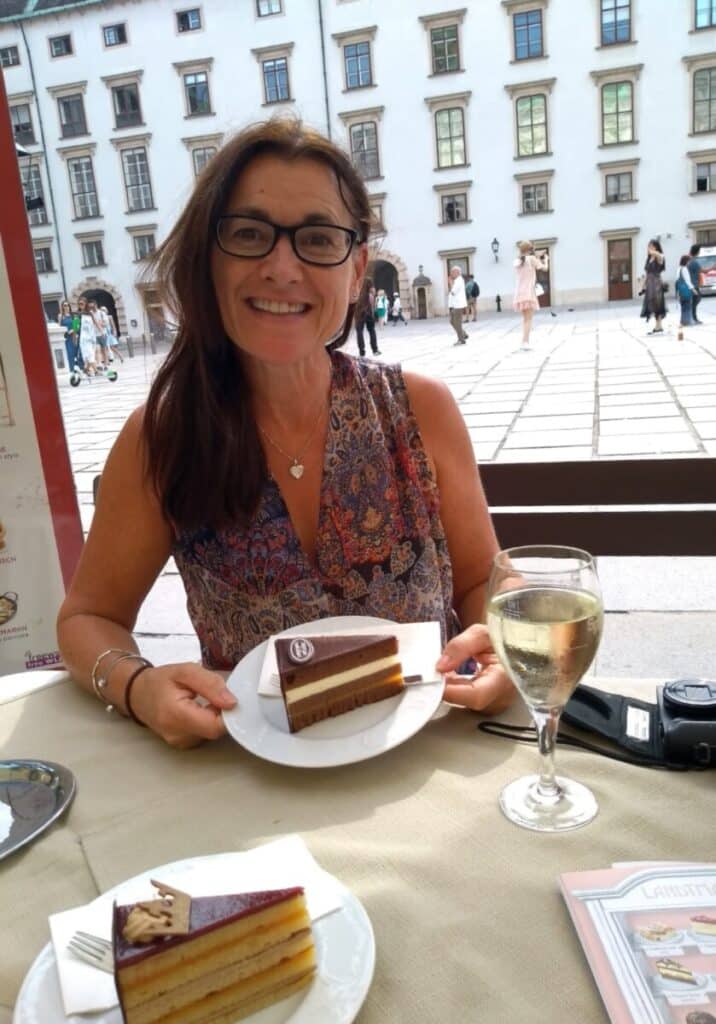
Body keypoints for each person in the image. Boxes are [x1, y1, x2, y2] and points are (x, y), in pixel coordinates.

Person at [57, 117, 515, 748]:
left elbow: (481, 582)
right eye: (248, 234)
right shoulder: (164, 437)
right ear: (209, 262)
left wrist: (504, 643)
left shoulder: (421, 411)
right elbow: (88, 617)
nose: (281, 266)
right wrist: (136, 687)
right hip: (252, 789)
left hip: (422, 766)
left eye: (318, 239)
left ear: (356, 273)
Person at [512, 242, 547, 350]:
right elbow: (544, 268)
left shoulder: (517, 261)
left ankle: (524, 341)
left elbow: (526, 261)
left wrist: (536, 256)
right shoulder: (531, 259)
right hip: (529, 292)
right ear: (530, 249)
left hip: (519, 293)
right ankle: (525, 342)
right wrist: (545, 260)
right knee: (528, 319)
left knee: (525, 319)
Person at [640, 239, 666, 335]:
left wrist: (654, 252)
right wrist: (643, 286)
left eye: (651, 246)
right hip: (650, 283)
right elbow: (646, 274)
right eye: (648, 246)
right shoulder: (649, 258)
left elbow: (660, 256)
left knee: (658, 303)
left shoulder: (659, 256)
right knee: (652, 304)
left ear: (656, 247)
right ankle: (658, 325)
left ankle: (659, 326)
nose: (649, 248)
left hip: (656, 283)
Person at [354, 277, 380, 356]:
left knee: (359, 332)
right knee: (371, 330)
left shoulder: (355, 288)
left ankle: (362, 352)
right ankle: (375, 350)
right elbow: (373, 293)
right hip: (368, 312)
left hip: (358, 312)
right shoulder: (368, 282)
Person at [76, 296, 99, 377]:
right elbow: (75, 327)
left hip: (91, 337)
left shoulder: (90, 313)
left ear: (85, 304)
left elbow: (95, 322)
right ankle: (96, 371)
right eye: (79, 304)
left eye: (82, 303)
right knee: (89, 354)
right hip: (83, 338)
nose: (80, 305)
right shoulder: (77, 314)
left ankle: (85, 369)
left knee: (90, 354)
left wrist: (101, 330)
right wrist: (75, 330)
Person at [447, 266, 468, 345]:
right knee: (452, 321)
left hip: (458, 305)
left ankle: (461, 339)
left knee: (457, 323)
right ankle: (463, 334)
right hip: (454, 305)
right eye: (451, 272)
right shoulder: (456, 280)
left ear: (458, 273)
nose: (451, 274)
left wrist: (450, 283)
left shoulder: (459, 280)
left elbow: (453, 291)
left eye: (452, 272)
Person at [676, 255, 697, 331]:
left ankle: (683, 321)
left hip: (681, 290)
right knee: (687, 305)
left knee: (683, 306)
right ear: (686, 261)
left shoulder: (679, 268)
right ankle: (687, 321)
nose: (689, 263)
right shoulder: (684, 269)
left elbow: (677, 280)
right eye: (689, 261)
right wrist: (693, 289)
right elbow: (687, 281)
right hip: (686, 290)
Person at [58, 300, 78, 376]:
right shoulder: (60, 316)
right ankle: (71, 369)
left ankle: (78, 368)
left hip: (74, 335)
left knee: (76, 352)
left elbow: (77, 326)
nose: (66, 307)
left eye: (67, 305)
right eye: (64, 305)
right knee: (69, 353)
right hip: (66, 337)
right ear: (62, 307)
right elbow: (59, 326)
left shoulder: (74, 315)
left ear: (69, 306)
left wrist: (73, 330)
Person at [687, 243, 703, 325]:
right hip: (694, 285)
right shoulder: (694, 262)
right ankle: (693, 318)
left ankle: (692, 318)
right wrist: (713, 268)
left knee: (694, 301)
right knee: (695, 301)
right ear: (697, 252)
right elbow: (703, 271)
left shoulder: (689, 261)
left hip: (690, 284)